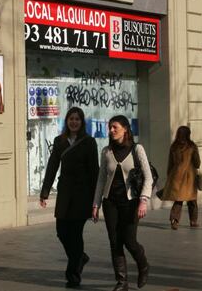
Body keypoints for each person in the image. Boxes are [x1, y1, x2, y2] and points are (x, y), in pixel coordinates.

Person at [40, 107, 99, 288]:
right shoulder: (60, 141)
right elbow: (52, 167)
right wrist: (45, 192)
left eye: (77, 119)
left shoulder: (89, 142)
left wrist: (96, 200)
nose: (74, 122)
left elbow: (94, 171)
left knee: (75, 233)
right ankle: (80, 257)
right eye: (71, 119)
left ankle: (73, 274)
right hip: (65, 193)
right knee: (61, 231)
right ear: (66, 121)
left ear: (82, 122)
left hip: (82, 195)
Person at [92, 115, 152, 291]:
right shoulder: (106, 151)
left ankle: (143, 265)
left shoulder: (137, 149)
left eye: (115, 127)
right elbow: (101, 179)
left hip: (131, 203)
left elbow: (148, 177)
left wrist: (143, 201)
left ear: (125, 129)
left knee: (129, 240)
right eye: (110, 127)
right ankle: (122, 282)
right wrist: (96, 204)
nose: (111, 130)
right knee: (114, 241)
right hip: (110, 202)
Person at [161, 126, 201, 230]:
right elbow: (197, 163)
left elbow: (170, 163)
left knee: (178, 200)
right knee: (192, 200)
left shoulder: (174, 146)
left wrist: (169, 175)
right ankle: (193, 221)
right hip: (189, 177)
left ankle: (174, 220)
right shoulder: (192, 146)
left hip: (176, 176)